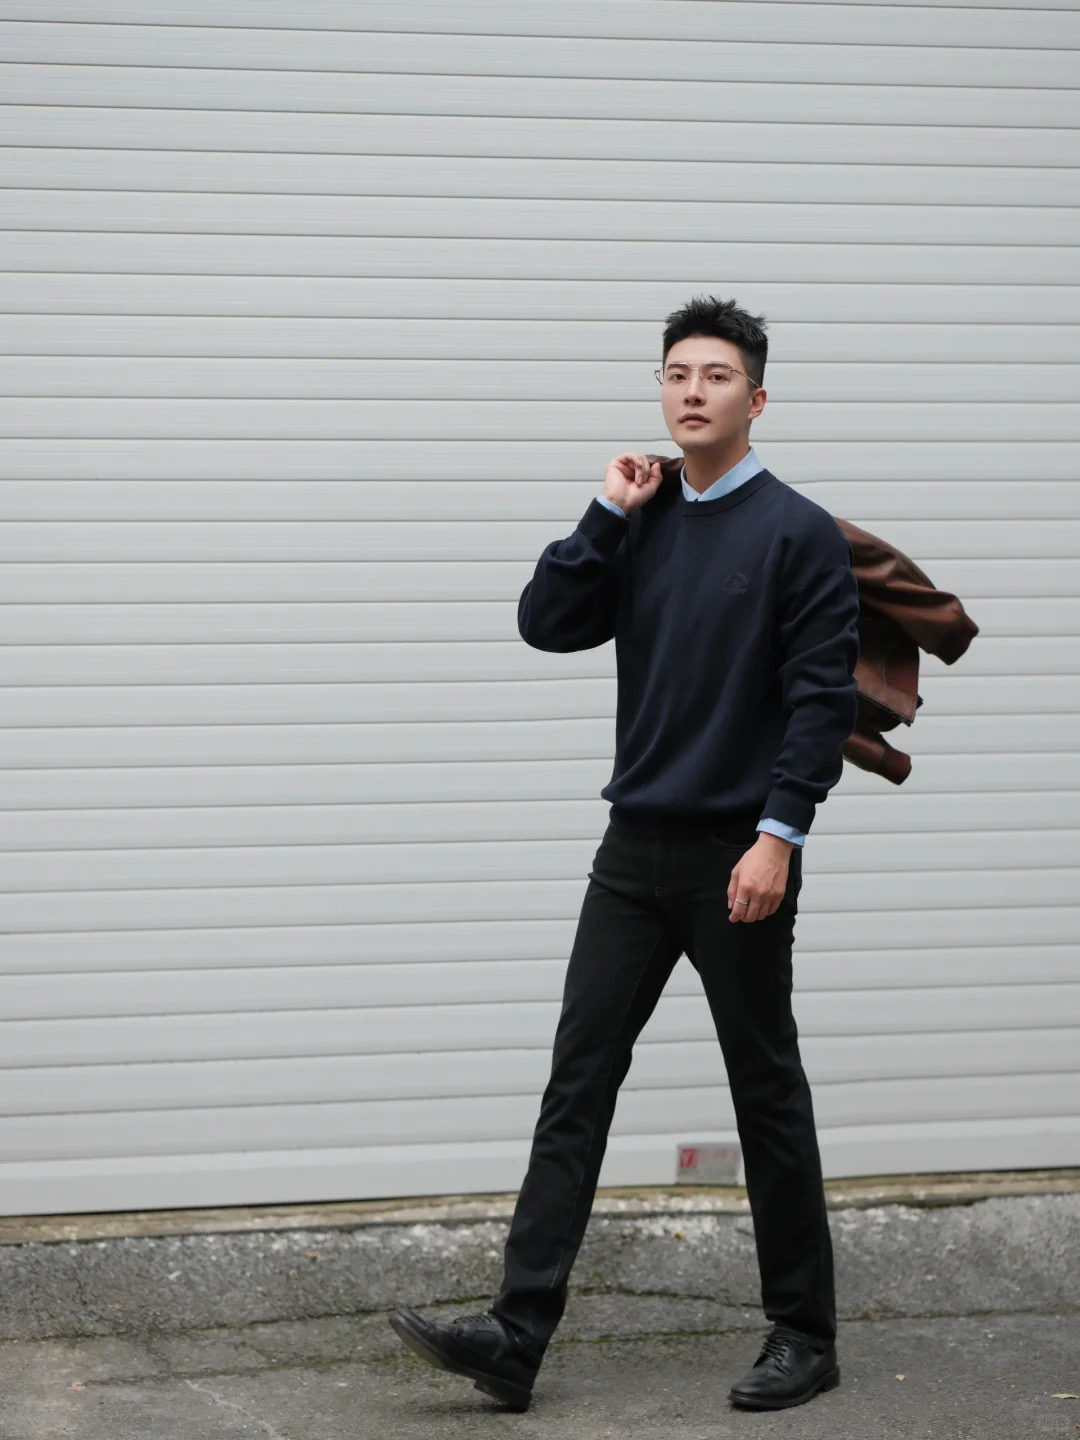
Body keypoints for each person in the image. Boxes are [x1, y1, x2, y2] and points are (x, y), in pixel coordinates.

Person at [389, 295, 860, 1413]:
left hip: (736, 855)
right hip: (632, 849)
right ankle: (515, 1335)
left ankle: (805, 1335)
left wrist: (779, 837)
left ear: (757, 398)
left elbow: (820, 699)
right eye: (676, 374)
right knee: (578, 1081)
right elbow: (545, 621)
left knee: (764, 1088)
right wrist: (605, 510)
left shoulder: (796, 532)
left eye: (716, 375)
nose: (692, 391)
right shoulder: (641, 518)